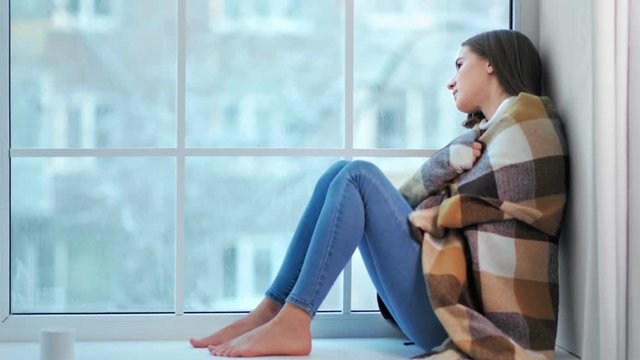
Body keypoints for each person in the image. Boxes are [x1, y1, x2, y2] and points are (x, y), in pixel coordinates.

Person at [190, 29, 568, 359]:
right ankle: (272, 311)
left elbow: (445, 205)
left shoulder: (528, 121)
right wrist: (444, 164)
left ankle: (294, 318)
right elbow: (420, 203)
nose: (451, 81)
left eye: (459, 64)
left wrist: (443, 167)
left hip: (473, 323)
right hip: (444, 306)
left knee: (357, 176)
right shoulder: (487, 135)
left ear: (491, 64)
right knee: (339, 173)